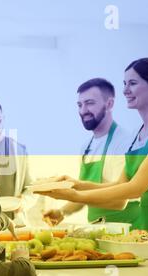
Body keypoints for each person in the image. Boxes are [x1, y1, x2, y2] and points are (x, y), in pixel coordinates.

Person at [36, 58, 148, 233]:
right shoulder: (137, 134)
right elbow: (120, 184)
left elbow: (136, 188)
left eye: (132, 83)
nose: (125, 90)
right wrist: (74, 184)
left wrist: (76, 195)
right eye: (124, 84)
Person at [43, 78, 140, 228]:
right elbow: (85, 195)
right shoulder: (87, 147)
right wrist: (62, 212)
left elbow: (119, 200)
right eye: (80, 105)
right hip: (98, 229)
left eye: (90, 103)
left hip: (126, 230)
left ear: (109, 104)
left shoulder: (125, 142)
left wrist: (74, 192)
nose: (83, 111)